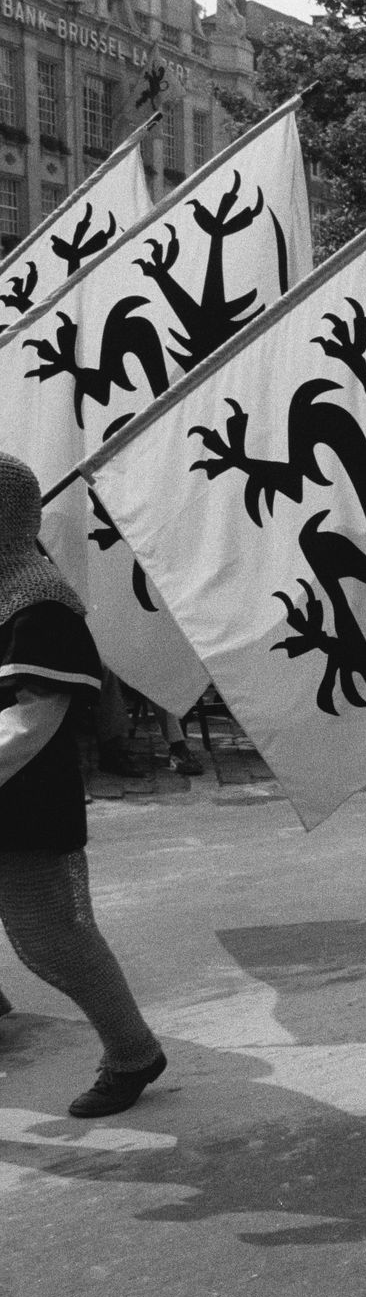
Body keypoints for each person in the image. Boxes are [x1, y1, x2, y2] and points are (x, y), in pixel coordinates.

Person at [0, 450, 167, 1118]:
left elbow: (29, 721)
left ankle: (133, 1051)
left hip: (24, 803)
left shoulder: (41, 603)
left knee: (52, 939)